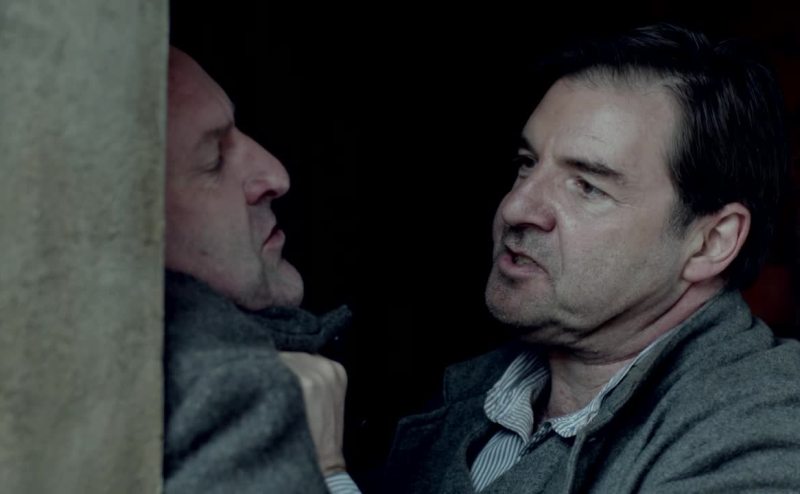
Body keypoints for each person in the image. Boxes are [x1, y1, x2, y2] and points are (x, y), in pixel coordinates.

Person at [317, 23, 800, 493]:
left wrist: (322, 472)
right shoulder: (466, 395)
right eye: (527, 164)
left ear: (712, 241)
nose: (516, 207)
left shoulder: (766, 426)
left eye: (587, 186)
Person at [162, 47, 349, 494]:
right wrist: (326, 471)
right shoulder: (233, 396)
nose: (276, 175)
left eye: (238, 130)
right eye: (214, 158)